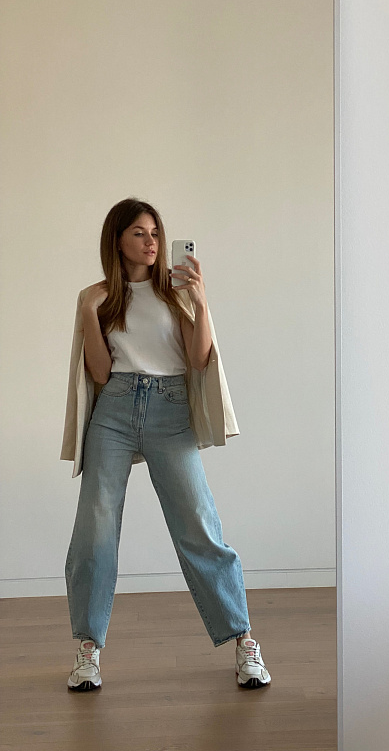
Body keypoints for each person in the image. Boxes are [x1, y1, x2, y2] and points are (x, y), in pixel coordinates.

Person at [61, 197, 271, 691]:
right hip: (114, 410)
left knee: (198, 522)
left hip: (170, 410)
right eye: (139, 233)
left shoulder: (174, 293)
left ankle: (243, 641)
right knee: (95, 527)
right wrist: (86, 310)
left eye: (155, 232)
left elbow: (199, 359)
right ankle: (88, 649)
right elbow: (99, 373)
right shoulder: (100, 298)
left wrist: (201, 300)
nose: (151, 242)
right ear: (117, 240)